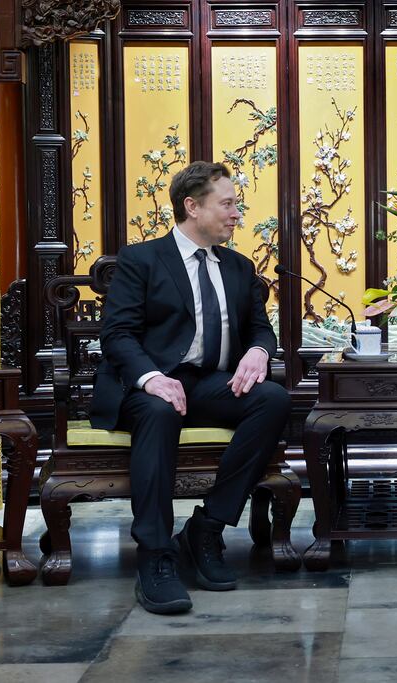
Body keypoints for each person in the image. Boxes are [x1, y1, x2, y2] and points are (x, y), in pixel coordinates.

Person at [90, 161, 291, 614]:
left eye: (236, 204)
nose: (237, 213)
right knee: (160, 412)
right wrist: (153, 378)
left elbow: (261, 330)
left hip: (208, 385)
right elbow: (117, 334)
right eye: (228, 203)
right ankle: (156, 556)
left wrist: (260, 352)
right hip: (147, 386)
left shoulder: (239, 267)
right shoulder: (142, 260)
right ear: (192, 206)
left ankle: (207, 528)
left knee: (273, 399)